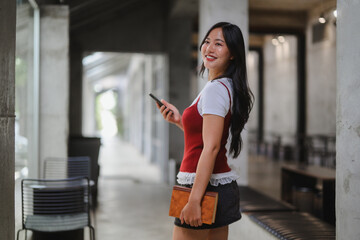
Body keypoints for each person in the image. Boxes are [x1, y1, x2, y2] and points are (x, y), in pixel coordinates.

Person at [157, 22, 254, 240]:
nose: (209, 48)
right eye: (207, 41)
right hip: (219, 186)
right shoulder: (226, 86)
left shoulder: (215, 90)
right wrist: (181, 121)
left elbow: (211, 147)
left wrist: (193, 201)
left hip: (199, 187)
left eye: (219, 44)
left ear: (233, 54)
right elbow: (208, 138)